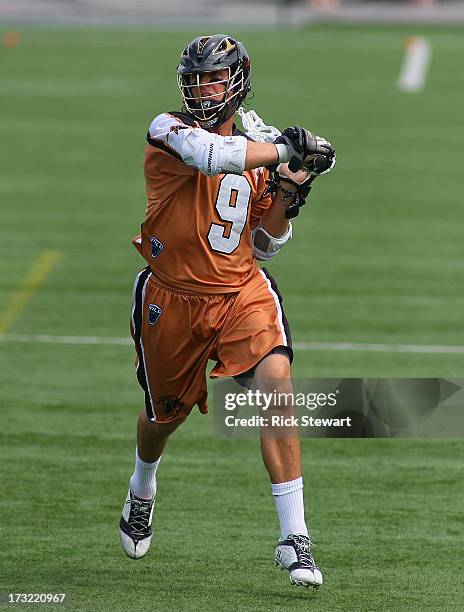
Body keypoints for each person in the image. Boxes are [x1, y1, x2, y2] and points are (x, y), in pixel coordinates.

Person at [119, 34, 335, 589]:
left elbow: (264, 244)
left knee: (276, 383)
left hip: (241, 291)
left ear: (235, 82)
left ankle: (295, 537)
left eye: (211, 78)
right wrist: (288, 149)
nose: (199, 89)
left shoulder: (257, 147)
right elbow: (212, 155)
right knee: (162, 416)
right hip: (172, 295)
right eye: (192, 79)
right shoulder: (167, 130)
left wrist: (290, 190)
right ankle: (143, 483)